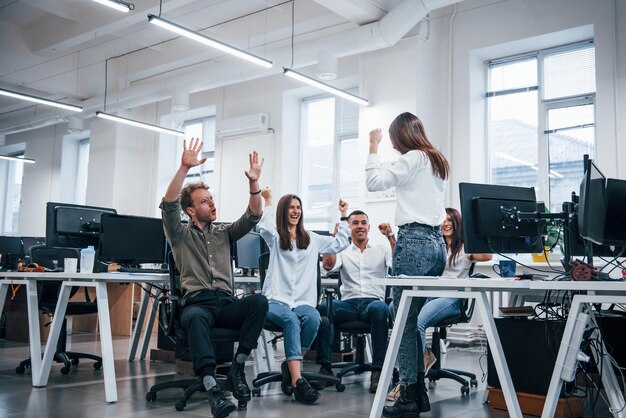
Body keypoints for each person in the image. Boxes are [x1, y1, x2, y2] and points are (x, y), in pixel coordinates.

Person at [160, 138, 269, 418]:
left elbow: (254, 214)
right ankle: (212, 388)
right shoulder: (179, 234)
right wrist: (184, 167)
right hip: (197, 304)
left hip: (226, 303)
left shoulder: (224, 232)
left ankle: (237, 366)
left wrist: (254, 184)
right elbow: (168, 204)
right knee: (195, 317)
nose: (211, 204)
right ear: (191, 210)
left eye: (212, 199)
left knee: (258, 302)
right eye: (204, 201)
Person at [365, 112, 449, 417]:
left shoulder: (414, 157)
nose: (391, 144)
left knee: (401, 322)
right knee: (410, 321)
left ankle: (410, 395)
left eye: (391, 138)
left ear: (402, 135)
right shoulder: (436, 159)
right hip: (436, 245)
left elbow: (374, 181)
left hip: (413, 242)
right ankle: (418, 393)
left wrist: (372, 147)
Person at [387, 207, 492, 401]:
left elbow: (487, 256)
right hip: (430, 295)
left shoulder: (464, 248)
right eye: (442, 220)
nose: (445, 223)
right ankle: (425, 354)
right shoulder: (435, 247)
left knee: (417, 322)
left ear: (457, 223)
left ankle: (411, 379)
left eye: (449, 220)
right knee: (395, 308)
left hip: (451, 299)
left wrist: (473, 232)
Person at [259, 189, 350, 404]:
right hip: (276, 300)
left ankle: (290, 366)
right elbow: (262, 227)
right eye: (291, 207)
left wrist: (344, 216)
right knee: (291, 320)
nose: (296, 211)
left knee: (313, 318)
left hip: (302, 302)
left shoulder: (312, 239)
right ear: (283, 211)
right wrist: (268, 200)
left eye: (298, 207)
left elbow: (341, 243)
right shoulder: (275, 238)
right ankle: (298, 382)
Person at [312, 211, 394, 394]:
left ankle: (378, 370)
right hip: (348, 304)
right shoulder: (343, 250)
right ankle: (325, 368)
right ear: (349, 228)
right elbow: (327, 266)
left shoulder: (382, 248)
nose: (360, 226)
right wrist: (334, 240)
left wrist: (390, 236)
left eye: (363, 222)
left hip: (373, 302)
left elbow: (397, 264)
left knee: (381, 308)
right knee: (325, 308)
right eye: (355, 223)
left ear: (369, 227)